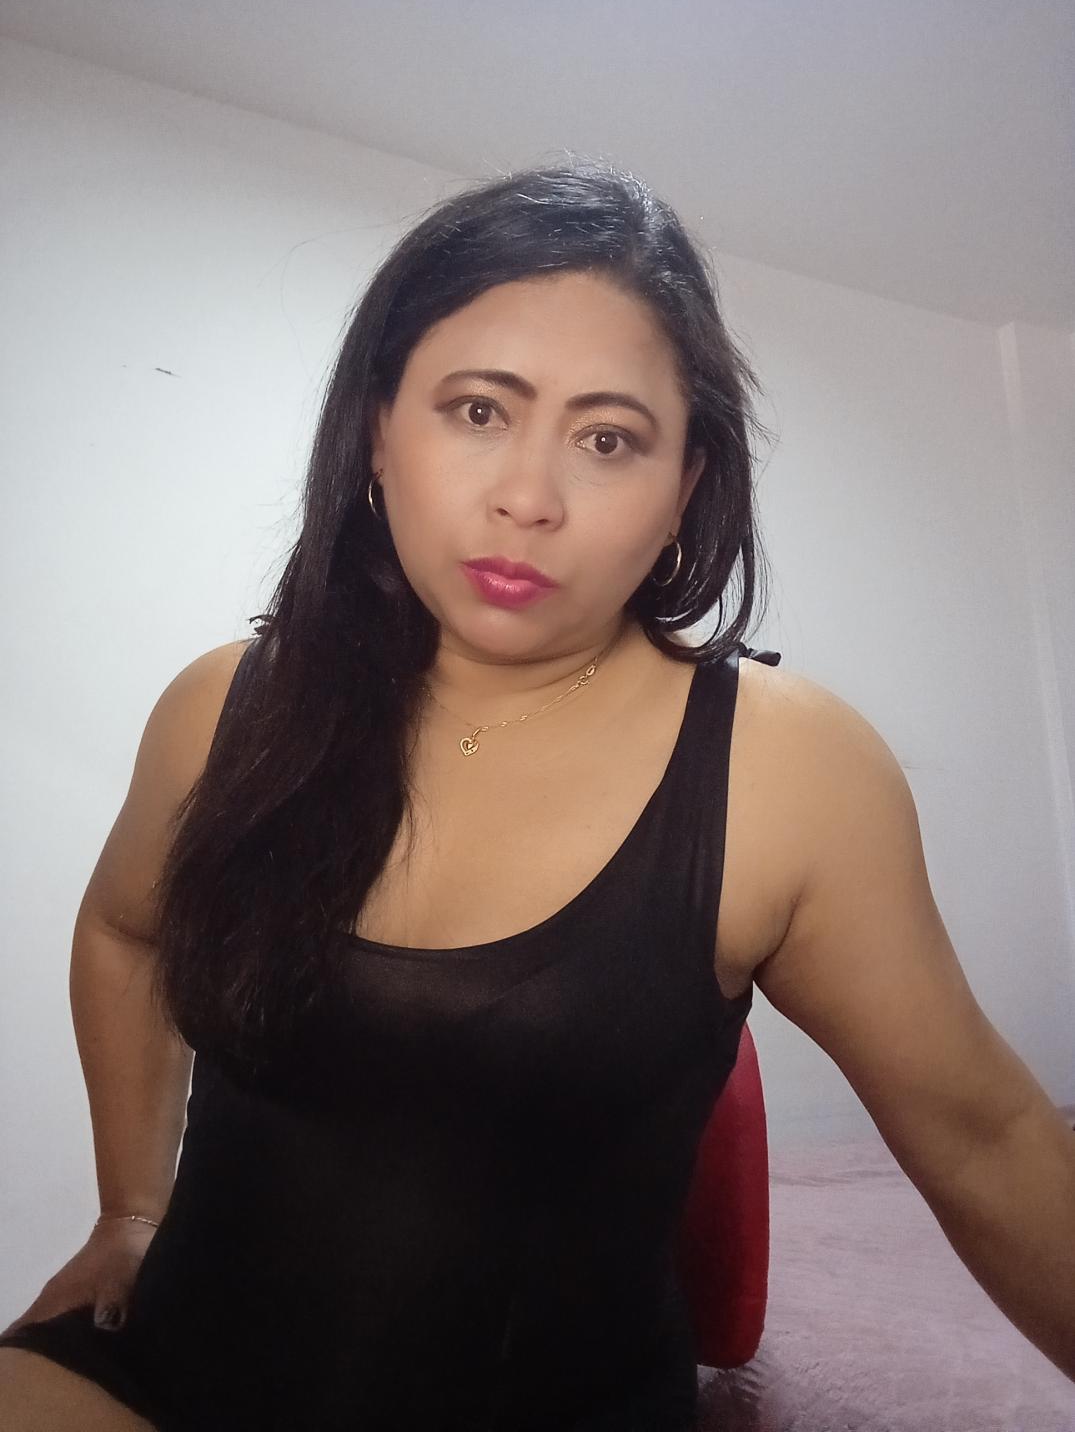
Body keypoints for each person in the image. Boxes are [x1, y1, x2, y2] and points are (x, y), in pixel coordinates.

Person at [1, 158, 1072, 1432]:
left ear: (683, 491)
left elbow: (988, 1137)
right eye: (476, 410)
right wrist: (131, 1210)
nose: (527, 498)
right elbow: (124, 931)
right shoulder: (226, 707)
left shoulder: (789, 768)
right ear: (377, 434)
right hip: (169, 1372)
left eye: (607, 440)